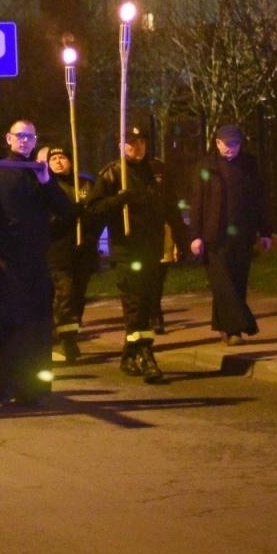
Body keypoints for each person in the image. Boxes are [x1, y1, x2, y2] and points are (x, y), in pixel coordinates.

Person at [0, 121, 71, 406]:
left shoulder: (39, 173)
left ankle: (35, 386)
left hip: (37, 261)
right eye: (21, 136)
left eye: (31, 136)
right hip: (6, 260)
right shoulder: (0, 171)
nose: (26, 141)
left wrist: (47, 181)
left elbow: (64, 210)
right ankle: (7, 383)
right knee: (10, 325)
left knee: (38, 326)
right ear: (9, 138)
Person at [85, 126, 184, 382]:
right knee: (135, 303)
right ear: (121, 145)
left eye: (140, 141)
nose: (136, 147)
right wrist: (119, 200)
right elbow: (93, 208)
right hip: (126, 249)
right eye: (130, 142)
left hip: (152, 247)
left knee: (148, 302)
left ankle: (129, 354)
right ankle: (146, 355)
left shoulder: (158, 171)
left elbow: (171, 208)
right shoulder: (112, 173)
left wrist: (183, 239)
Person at [189, 125, 272, 345]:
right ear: (217, 143)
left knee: (237, 281)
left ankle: (224, 327)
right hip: (213, 236)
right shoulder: (206, 166)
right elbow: (197, 202)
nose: (231, 148)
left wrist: (265, 232)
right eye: (227, 144)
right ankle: (238, 327)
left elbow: (259, 200)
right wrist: (195, 235)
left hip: (243, 234)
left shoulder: (249, 165)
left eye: (235, 144)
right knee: (222, 281)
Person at [44, 146, 96, 363]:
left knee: (77, 295)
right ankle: (67, 340)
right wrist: (68, 215)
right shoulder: (46, 187)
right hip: (58, 250)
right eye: (53, 158)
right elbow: (47, 220)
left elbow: (95, 210)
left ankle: (70, 331)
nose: (58, 162)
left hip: (82, 249)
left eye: (62, 157)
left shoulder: (85, 184)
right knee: (64, 294)